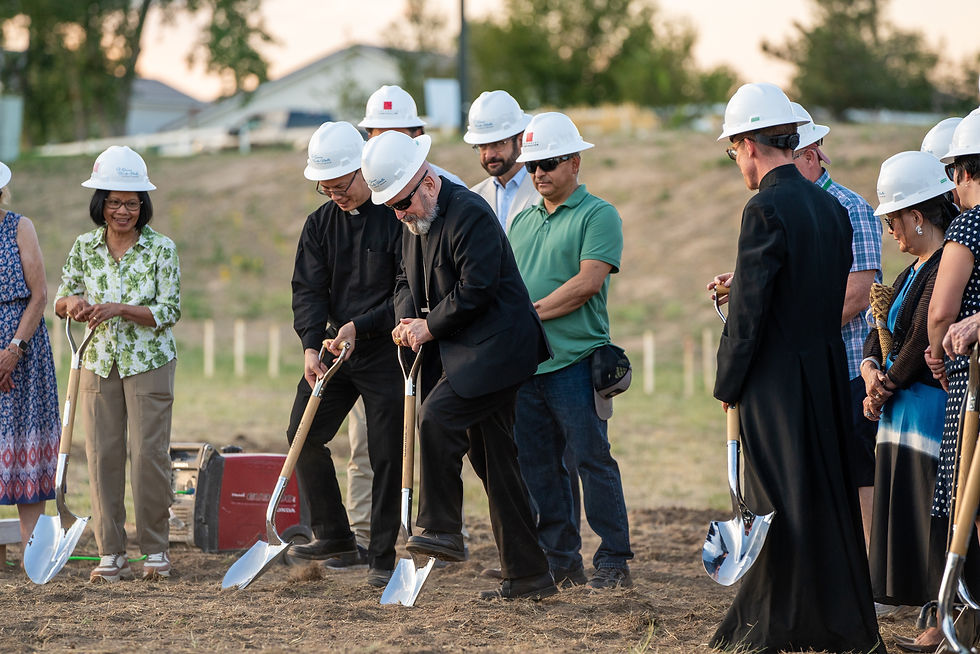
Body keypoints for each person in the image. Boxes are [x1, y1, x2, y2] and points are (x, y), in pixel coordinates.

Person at [707, 82, 883, 653]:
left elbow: (751, 311)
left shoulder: (763, 208)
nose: (736, 163)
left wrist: (727, 381)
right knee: (825, 498)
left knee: (772, 501)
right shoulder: (831, 209)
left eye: (734, 150)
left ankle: (772, 623)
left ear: (749, 145)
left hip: (775, 385)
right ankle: (837, 621)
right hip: (828, 373)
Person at [360, 130, 557, 601]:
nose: (399, 214)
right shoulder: (414, 224)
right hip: (467, 353)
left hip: (500, 351)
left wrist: (429, 328)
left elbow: (477, 288)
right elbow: (405, 279)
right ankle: (529, 575)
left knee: (438, 417)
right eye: (391, 207)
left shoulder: (470, 213)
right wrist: (408, 316)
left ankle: (441, 527)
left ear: (427, 183)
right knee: (496, 463)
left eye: (403, 202)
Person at [507, 111, 632, 589]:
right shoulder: (521, 222)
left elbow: (586, 283)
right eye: (533, 164)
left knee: (590, 460)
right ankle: (561, 559)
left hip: (578, 362)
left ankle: (614, 559)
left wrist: (528, 315)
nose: (538, 173)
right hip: (529, 366)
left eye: (550, 162)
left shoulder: (599, 214)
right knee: (538, 466)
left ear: (575, 163)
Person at [283, 122, 404, 588]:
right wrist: (311, 344)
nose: (335, 194)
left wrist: (362, 327)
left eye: (342, 184)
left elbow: (404, 291)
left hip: (385, 350)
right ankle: (333, 534)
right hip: (334, 349)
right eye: (325, 187)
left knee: (387, 449)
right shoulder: (318, 225)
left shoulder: (395, 216)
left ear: (364, 169)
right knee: (302, 433)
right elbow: (307, 290)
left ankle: (382, 554)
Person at [54, 146, 181, 582]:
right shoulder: (84, 247)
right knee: (102, 454)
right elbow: (61, 297)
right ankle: (111, 552)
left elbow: (169, 311)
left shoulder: (161, 249)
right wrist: (74, 305)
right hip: (96, 360)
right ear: (100, 204)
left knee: (147, 455)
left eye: (131, 202)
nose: (123, 210)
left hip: (148, 363)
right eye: (113, 201)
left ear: (143, 205)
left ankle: (155, 549)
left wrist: (120, 308)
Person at [860, 151, 957, 651]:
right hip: (902, 415)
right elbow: (880, 336)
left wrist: (884, 384)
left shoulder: (946, 264)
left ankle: (943, 622)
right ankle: (931, 617)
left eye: (894, 219)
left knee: (932, 522)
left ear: (918, 216)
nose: (891, 230)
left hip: (926, 416)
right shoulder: (913, 269)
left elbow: (924, 337)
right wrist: (869, 368)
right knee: (915, 522)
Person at [0, 161, 61, 551]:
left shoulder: (20, 227)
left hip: (25, 351)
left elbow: (39, 296)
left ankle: (33, 555)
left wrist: (12, 352)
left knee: (26, 445)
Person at [926, 113, 980, 535]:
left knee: (973, 494)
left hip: (972, 376)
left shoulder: (967, 225)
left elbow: (941, 312)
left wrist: (939, 359)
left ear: (962, 171)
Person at [358, 84, 466, 186]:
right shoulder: (359, 190)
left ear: (417, 135)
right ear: (369, 137)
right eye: (382, 137)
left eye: (396, 137)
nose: (388, 145)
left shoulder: (448, 185)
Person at [464, 90, 539, 232]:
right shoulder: (475, 196)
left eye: (498, 143)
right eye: (482, 146)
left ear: (520, 140)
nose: (489, 155)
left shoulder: (545, 191)